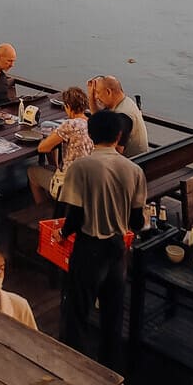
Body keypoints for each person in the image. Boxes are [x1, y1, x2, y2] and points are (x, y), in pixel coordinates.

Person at [57, 110, 147, 370]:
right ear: (119, 135)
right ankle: (110, 371)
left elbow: (74, 217)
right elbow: (136, 221)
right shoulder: (134, 170)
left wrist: (61, 233)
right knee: (113, 315)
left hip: (88, 248)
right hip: (117, 250)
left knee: (78, 312)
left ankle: (74, 368)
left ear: (91, 134)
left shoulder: (80, 167)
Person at [27, 86, 93, 204]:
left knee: (32, 172)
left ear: (68, 107)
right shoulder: (91, 123)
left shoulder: (70, 125)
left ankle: (42, 209)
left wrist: (51, 134)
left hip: (69, 186)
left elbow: (43, 148)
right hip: (87, 182)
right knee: (48, 167)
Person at [87, 75, 148, 157]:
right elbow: (99, 119)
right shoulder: (123, 101)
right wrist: (91, 97)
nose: (96, 97)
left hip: (132, 161)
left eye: (97, 92)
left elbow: (117, 151)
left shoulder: (123, 116)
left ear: (108, 92)